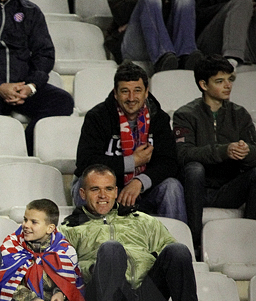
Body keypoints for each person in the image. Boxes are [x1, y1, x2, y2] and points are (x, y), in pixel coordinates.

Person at [62, 164, 217, 301]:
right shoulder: (70, 228)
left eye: (108, 189)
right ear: (83, 193)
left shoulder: (141, 220)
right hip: (105, 294)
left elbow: (173, 261)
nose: (103, 195)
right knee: (111, 248)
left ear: (116, 191)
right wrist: (91, 268)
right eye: (95, 189)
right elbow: (62, 269)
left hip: (146, 295)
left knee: (178, 250)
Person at [0, 0, 74, 154]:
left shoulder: (31, 10)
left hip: (23, 84)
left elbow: (44, 53)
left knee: (63, 101)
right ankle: (4, 150)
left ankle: (25, 148)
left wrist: (31, 86)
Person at [73, 62, 187, 222]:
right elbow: (86, 162)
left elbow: (169, 163)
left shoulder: (159, 119)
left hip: (143, 190)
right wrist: (132, 161)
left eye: (137, 91)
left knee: (172, 187)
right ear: (115, 93)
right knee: (84, 184)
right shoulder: (97, 117)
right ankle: (91, 242)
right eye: (125, 91)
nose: (132, 98)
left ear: (146, 92)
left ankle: (174, 244)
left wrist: (140, 182)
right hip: (107, 190)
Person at [173, 54, 256, 253]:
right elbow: (183, 154)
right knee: (194, 169)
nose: (228, 85)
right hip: (196, 189)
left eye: (230, 79)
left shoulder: (240, 114)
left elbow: (255, 151)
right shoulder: (185, 114)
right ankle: (194, 243)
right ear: (203, 84)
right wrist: (223, 151)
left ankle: (251, 240)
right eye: (220, 81)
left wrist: (247, 152)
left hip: (229, 188)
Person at [107, 0, 202, 71]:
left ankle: (186, 56)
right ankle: (162, 57)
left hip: (171, 43)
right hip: (135, 43)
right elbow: (121, 16)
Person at [195, 0, 256, 66]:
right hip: (210, 40)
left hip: (248, 46)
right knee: (243, 2)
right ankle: (231, 59)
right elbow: (198, 15)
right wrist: (233, 8)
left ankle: (239, 57)